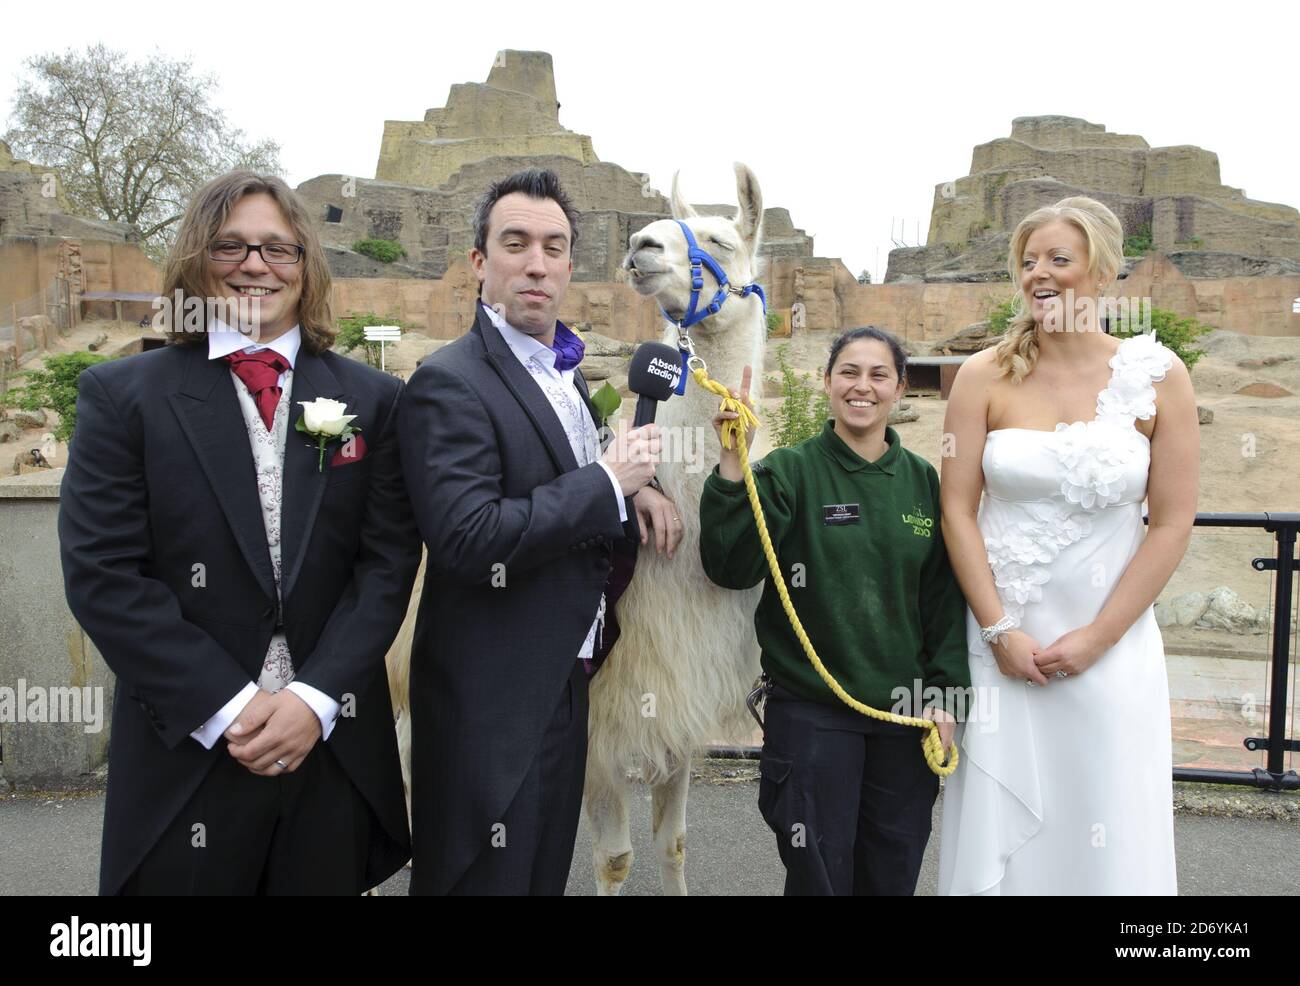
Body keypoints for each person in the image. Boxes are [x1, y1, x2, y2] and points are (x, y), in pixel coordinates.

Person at [58, 172, 421, 895]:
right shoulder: (122, 397)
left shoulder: (372, 401)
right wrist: (232, 707)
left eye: (278, 250)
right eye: (231, 246)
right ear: (197, 261)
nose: (255, 265)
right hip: (187, 755)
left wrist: (313, 699)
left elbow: (384, 568)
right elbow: (103, 574)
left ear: (304, 266)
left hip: (332, 751)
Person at [398, 168, 675, 895]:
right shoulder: (449, 381)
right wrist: (608, 484)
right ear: (479, 263)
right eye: (514, 243)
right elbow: (468, 537)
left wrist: (637, 493)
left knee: (540, 880)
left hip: (565, 677)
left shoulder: (566, 372)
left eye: (554, 247)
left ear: (570, 266)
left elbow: (567, 468)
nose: (536, 262)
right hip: (489, 699)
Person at [937, 196, 1198, 895]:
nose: (1040, 275)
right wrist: (997, 629)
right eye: (1029, 262)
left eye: (1059, 259)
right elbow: (956, 511)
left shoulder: (1160, 376)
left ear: (1104, 270)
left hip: (1112, 648)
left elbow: (1172, 522)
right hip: (1003, 642)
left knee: (1106, 812)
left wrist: (1099, 638)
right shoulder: (982, 375)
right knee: (1005, 826)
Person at [699, 327, 969, 895]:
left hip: (904, 716)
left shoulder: (923, 483)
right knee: (819, 876)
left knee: (892, 872)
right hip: (813, 713)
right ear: (826, 382)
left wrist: (947, 697)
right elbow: (730, 566)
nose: (861, 387)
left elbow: (943, 601)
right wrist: (731, 460)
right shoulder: (788, 472)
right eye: (848, 372)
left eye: (878, 375)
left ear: (900, 389)